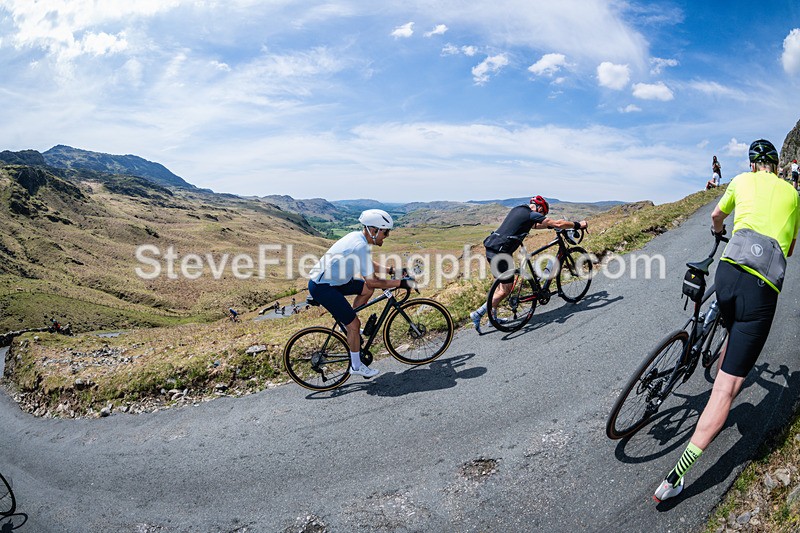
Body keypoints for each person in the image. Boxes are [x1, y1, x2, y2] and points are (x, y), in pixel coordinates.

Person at [654, 139, 800, 502]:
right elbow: (791, 248)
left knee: (724, 307)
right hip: (762, 285)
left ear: (753, 165)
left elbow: (716, 216)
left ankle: (697, 340)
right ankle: (675, 478)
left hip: (729, 272)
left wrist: (721, 232)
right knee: (725, 391)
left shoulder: (739, 180)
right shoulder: (794, 195)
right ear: (777, 165)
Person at [307, 209, 413, 378]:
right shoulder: (360, 245)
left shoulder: (359, 239)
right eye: (385, 232)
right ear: (374, 230)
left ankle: (352, 330)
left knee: (366, 289)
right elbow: (373, 280)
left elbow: (368, 266)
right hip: (323, 286)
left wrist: (393, 270)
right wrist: (402, 283)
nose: (386, 236)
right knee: (354, 323)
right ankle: (356, 365)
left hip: (336, 281)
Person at [469, 196, 588, 334]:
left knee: (500, 285)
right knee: (504, 290)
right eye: (542, 214)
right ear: (539, 209)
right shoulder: (531, 214)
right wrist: (578, 225)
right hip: (501, 253)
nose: (540, 216)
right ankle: (478, 313)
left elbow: (535, 225)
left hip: (492, 247)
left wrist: (549, 226)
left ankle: (492, 319)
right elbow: (558, 224)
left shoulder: (519, 210)